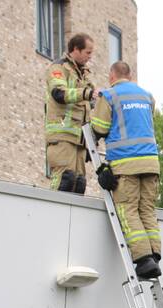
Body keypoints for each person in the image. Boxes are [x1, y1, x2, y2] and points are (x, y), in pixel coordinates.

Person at [90, 61, 162, 279]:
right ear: (129, 75)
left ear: (112, 76)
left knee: (127, 209)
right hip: (151, 163)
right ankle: (154, 254)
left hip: (125, 164)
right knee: (146, 209)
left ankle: (143, 260)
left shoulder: (110, 96)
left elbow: (100, 128)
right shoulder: (147, 96)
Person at [45, 33, 96, 194]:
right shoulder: (59, 68)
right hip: (62, 137)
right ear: (76, 49)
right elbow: (59, 93)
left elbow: (89, 106)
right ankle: (53, 216)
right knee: (64, 181)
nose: (90, 57)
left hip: (80, 142)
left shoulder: (83, 75)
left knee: (78, 184)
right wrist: (87, 93)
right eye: (88, 52)